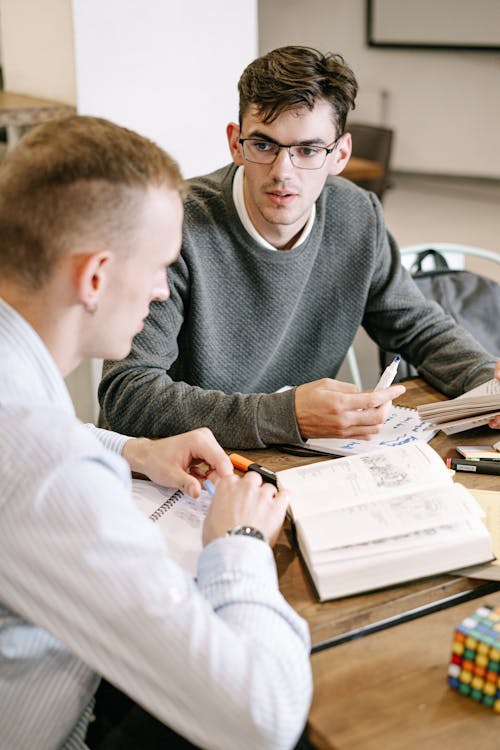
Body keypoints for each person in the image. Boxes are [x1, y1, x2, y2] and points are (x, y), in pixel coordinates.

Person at [0, 116, 312, 750]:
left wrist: (133, 449)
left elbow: (41, 433)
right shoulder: (42, 467)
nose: (162, 289)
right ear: (93, 278)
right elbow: (262, 718)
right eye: (158, 267)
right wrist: (241, 541)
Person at [99, 45, 500, 449]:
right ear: (235, 143)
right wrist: (287, 414)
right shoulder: (173, 226)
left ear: (340, 154)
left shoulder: (357, 214)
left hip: (300, 461)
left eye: (308, 150)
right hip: (186, 470)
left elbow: (417, 327)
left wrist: (487, 380)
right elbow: (127, 396)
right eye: (263, 145)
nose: (282, 173)